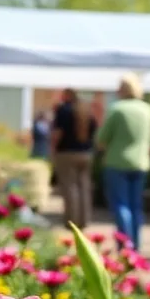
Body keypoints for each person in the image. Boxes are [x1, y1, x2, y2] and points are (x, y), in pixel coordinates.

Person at [96, 74, 150, 249]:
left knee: (121, 206)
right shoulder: (147, 109)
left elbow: (101, 139)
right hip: (141, 163)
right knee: (136, 206)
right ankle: (135, 245)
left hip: (117, 163)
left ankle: (125, 245)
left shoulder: (118, 109)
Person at [51, 89, 97, 228]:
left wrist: (53, 149)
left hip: (67, 153)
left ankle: (72, 221)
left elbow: (58, 133)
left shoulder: (64, 110)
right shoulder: (87, 112)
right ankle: (84, 220)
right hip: (86, 153)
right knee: (84, 187)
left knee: (70, 188)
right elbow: (94, 131)